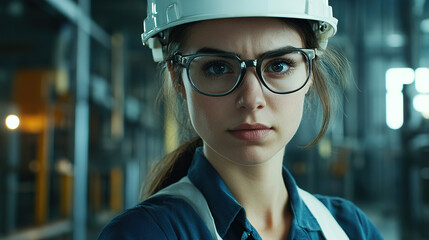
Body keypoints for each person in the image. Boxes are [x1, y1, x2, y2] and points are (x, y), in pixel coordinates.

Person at [98, 0, 383, 239]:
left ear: (309, 73)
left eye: (279, 65)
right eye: (218, 67)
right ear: (178, 77)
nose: (251, 99)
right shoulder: (144, 234)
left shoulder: (350, 229)